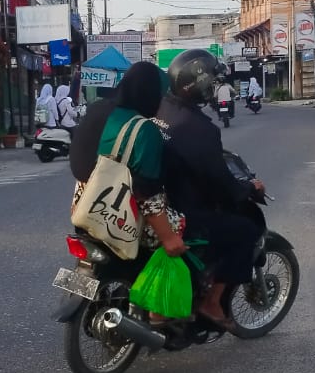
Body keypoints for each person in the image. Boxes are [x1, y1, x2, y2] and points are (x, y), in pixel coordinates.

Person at [157, 50, 261, 331]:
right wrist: (246, 188)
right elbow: (219, 181)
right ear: (198, 84)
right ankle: (211, 300)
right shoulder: (199, 128)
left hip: (158, 201)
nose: (213, 87)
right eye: (211, 81)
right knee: (245, 231)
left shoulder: (161, 108)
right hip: (184, 212)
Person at [70, 61, 187, 259]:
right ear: (150, 93)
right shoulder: (145, 130)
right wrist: (169, 238)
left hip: (83, 209)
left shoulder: (96, 109)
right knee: (190, 229)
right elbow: (148, 196)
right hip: (117, 219)